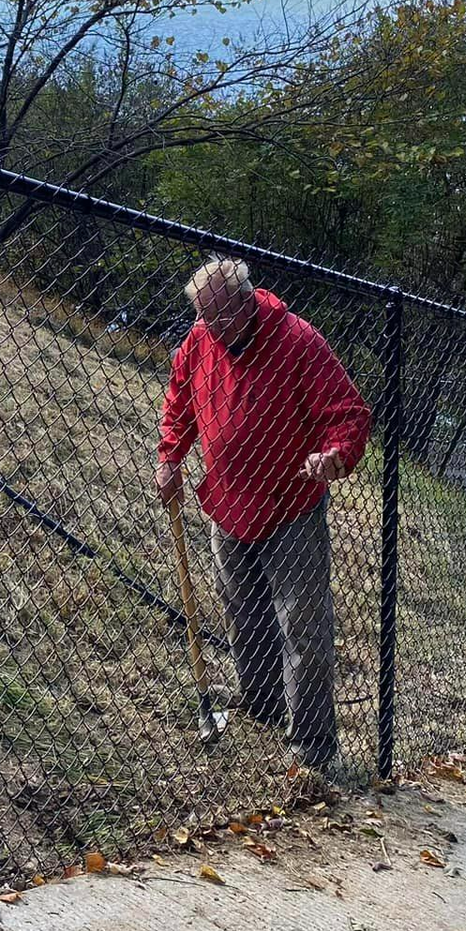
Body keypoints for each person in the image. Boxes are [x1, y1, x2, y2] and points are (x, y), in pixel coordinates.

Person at [155, 259, 370, 772]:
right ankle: (263, 705)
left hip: (290, 505)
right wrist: (169, 457)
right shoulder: (199, 342)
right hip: (228, 503)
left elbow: (347, 412)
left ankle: (315, 749)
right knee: (243, 613)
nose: (213, 328)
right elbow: (180, 403)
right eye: (205, 318)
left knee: (303, 625)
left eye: (221, 316)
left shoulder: (298, 341)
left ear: (246, 301)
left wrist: (335, 454)